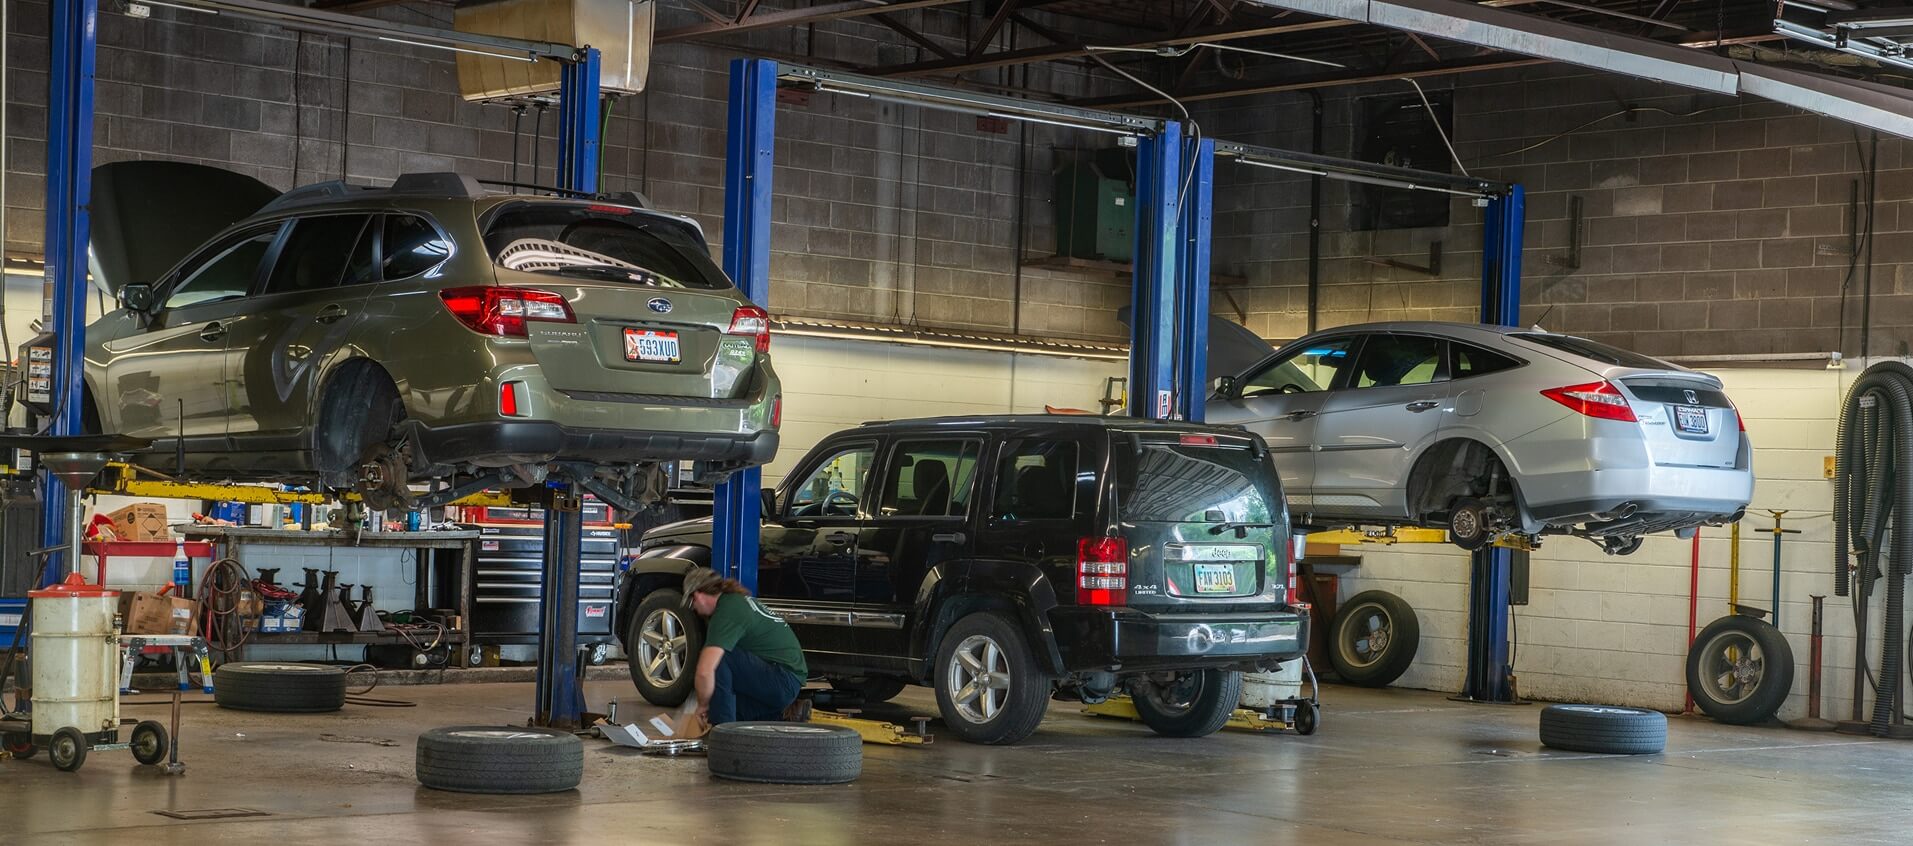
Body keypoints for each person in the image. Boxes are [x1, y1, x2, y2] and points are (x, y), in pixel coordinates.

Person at [682, 566, 809, 724]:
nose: (694, 608)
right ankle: (784, 715)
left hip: (782, 679)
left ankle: (723, 736)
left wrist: (702, 705)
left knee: (718, 659)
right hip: (787, 682)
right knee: (723, 707)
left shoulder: (726, 611)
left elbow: (704, 671)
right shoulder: (737, 600)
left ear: (698, 595)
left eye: (691, 602)